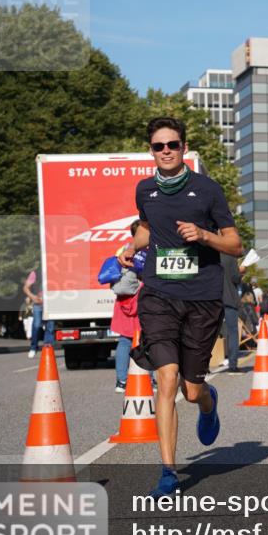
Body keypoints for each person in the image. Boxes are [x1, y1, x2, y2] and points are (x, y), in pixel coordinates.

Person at [119, 116, 242, 498]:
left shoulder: (207, 190)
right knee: (166, 377)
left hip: (202, 298)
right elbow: (146, 227)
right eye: (159, 146)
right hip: (158, 294)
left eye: (172, 144)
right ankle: (169, 472)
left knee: (191, 390)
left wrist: (204, 235)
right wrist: (132, 246)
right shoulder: (145, 190)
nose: (166, 151)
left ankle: (208, 402)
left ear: (183, 148)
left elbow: (235, 243)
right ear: (151, 151)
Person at [111, 221, 147, 392]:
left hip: (124, 301)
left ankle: (121, 381)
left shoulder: (122, 251)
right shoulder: (148, 251)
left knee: (124, 341)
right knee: (148, 340)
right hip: (142, 299)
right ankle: (150, 379)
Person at [23, 267, 55, 359]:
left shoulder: (54, 271)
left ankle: (47, 348)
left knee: (50, 327)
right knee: (36, 325)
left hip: (50, 304)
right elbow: (25, 288)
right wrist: (32, 296)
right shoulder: (35, 273)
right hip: (38, 304)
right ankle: (33, 347)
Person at [220, 252, 243, 374]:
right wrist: (242, 271)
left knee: (208, 333)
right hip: (229, 298)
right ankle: (232, 365)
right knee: (233, 332)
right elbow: (235, 278)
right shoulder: (230, 256)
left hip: (211, 299)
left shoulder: (209, 253)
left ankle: (203, 366)